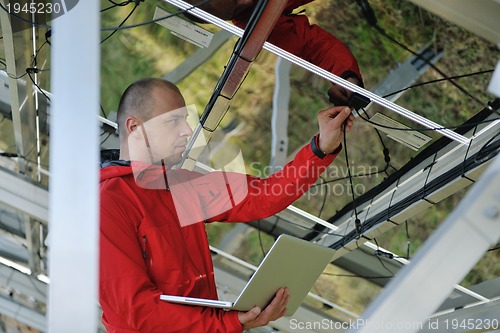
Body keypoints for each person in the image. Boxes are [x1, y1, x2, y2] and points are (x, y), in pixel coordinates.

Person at [99, 78, 354, 332]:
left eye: (185, 119)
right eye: (173, 121)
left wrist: (321, 147)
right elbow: (137, 310)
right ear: (135, 127)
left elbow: (265, 196)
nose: (187, 131)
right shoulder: (106, 205)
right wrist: (226, 323)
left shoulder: (178, 186)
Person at [185, 0, 364, 106]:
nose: (246, 1)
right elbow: (312, 46)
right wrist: (346, 78)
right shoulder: (256, 25)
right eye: (236, 6)